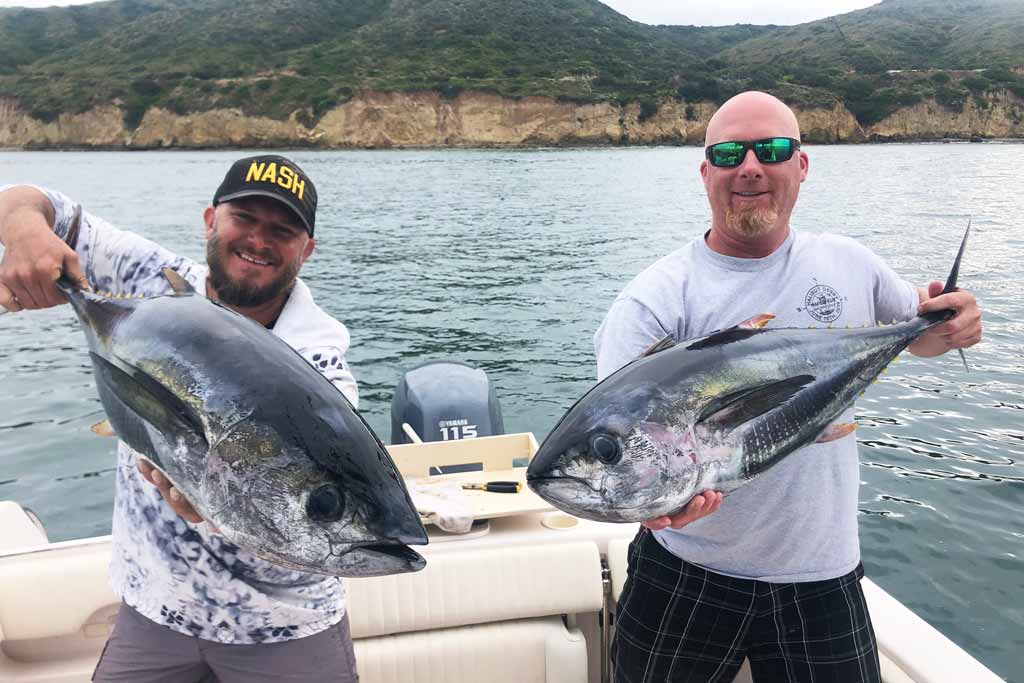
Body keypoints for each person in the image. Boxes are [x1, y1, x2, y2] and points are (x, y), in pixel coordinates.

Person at [595, 91, 982, 682]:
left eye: (772, 149)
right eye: (728, 154)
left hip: (821, 576)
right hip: (684, 573)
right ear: (706, 173)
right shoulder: (653, 302)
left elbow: (921, 332)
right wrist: (648, 511)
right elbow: (620, 445)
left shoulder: (849, 264)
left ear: (800, 165)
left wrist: (952, 325)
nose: (750, 166)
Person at [0, 155, 362, 682]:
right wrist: (27, 237)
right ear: (210, 219)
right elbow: (23, 199)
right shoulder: (150, 278)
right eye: (245, 220)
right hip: (154, 608)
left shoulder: (316, 363)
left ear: (305, 251)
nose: (259, 242)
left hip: (285, 628)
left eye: (282, 231)